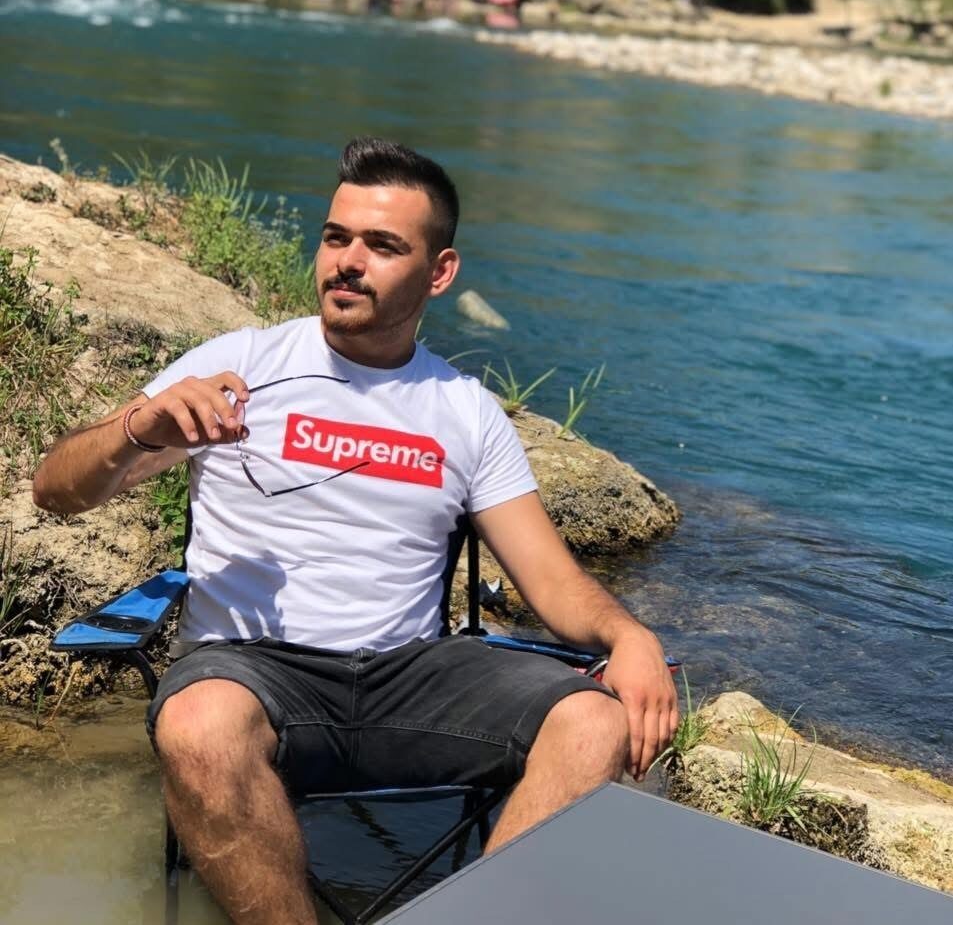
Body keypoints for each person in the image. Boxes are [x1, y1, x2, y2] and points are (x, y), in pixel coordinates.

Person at [32, 138, 678, 925]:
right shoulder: (242, 363)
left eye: (382, 245)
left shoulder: (464, 410)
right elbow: (56, 491)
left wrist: (629, 636)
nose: (347, 261)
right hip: (253, 670)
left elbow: (550, 580)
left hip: (410, 677)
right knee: (199, 726)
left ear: (439, 272)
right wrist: (139, 428)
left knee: (593, 720)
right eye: (335, 237)